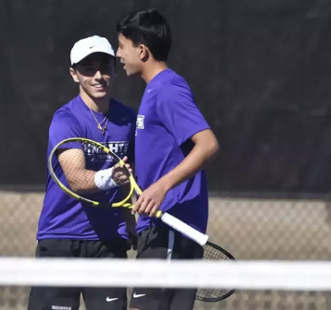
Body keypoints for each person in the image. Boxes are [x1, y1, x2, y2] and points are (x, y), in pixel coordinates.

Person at [115, 8, 220, 310]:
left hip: (171, 229)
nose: (118, 53)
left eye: (122, 46)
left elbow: (208, 145)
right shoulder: (153, 92)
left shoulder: (168, 90)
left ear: (143, 50)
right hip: (156, 229)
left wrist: (161, 187)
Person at [28, 35, 137, 310]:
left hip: (108, 244)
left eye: (104, 67)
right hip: (61, 240)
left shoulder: (128, 120)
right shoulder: (66, 120)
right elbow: (76, 179)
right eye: (88, 69)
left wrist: (130, 222)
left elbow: (127, 178)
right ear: (74, 74)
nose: (98, 76)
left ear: (114, 69)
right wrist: (111, 177)